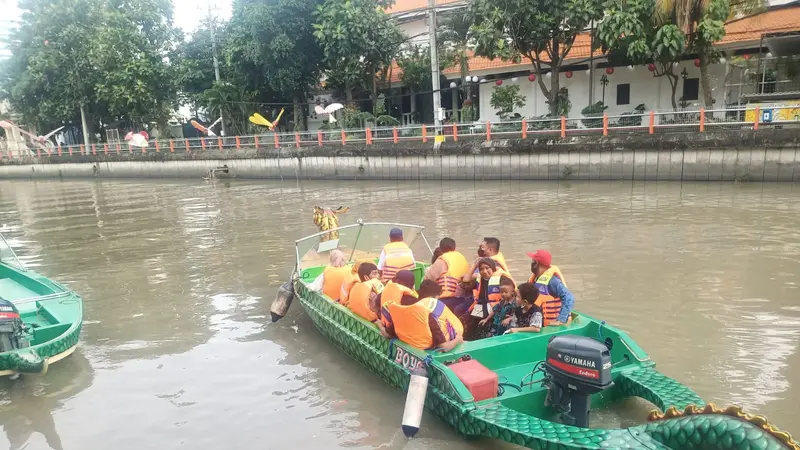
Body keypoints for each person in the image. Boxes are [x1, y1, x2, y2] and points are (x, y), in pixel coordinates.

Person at [379, 280, 463, 352]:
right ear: (433, 298)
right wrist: (457, 340)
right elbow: (444, 347)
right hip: (427, 354)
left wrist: (378, 323)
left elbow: (387, 334)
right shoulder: (431, 317)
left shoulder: (404, 312)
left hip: (408, 352)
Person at [461, 258, 512, 339]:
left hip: (495, 309)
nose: (484, 271)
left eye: (487, 268)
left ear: (493, 268)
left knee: (483, 328)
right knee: (466, 324)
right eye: (481, 269)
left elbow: (512, 295)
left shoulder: (502, 279)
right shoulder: (479, 278)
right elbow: (466, 280)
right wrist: (474, 266)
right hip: (480, 308)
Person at [527, 249, 574, 326]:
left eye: (533, 261)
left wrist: (561, 320)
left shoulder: (553, 281)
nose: (531, 264)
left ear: (537, 263)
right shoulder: (536, 278)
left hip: (551, 327)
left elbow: (569, 298)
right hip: (538, 323)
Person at [424, 238, 470, 313]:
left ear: (441, 248)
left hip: (448, 298)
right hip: (464, 295)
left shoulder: (442, 260)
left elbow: (427, 280)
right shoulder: (461, 257)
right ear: (454, 247)